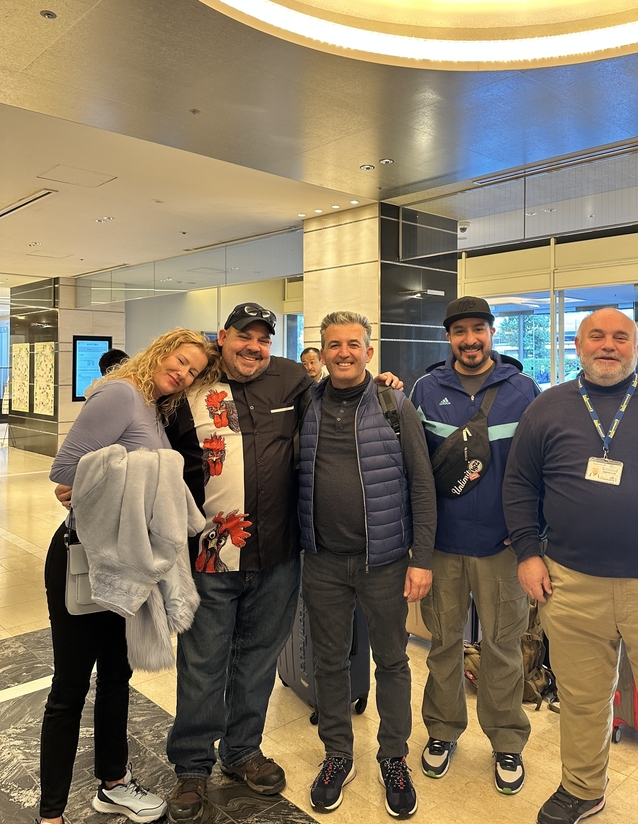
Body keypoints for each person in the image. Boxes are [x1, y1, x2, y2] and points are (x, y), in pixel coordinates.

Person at [164, 303, 402, 823]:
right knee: (203, 664)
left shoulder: (293, 381)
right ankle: (192, 767)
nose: (253, 346)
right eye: (243, 337)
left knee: (257, 660)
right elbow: (146, 443)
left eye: (262, 339)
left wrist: (383, 380)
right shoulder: (187, 394)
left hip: (277, 554)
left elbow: (346, 388)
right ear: (221, 337)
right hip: (210, 554)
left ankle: (243, 751)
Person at [503, 308, 638, 824]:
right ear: (577, 346)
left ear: (636, 348)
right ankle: (583, 788)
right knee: (582, 700)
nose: (608, 345)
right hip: (572, 584)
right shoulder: (548, 407)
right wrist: (528, 554)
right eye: (595, 336)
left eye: (620, 337)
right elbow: (519, 486)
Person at [41, 329, 219, 824]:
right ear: (161, 351)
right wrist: (131, 479)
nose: (182, 374)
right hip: (85, 560)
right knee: (70, 686)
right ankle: (51, 813)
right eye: (180, 362)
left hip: (127, 563)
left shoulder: (154, 407)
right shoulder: (121, 394)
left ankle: (113, 785)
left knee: (117, 674)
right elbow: (66, 471)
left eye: (192, 372)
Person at [297, 311, 436, 817]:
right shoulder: (305, 403)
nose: (344, 353)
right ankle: (338, 755)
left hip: (385, 562)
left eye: (353, 344)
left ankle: (393, 755)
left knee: (394, 662)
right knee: (328, 663)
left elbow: (422, 485)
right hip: (323, 560)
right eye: (334, 345)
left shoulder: (394, 403)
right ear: (322, 352)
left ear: (369, 352)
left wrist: (421, 559)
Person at [410, 296, 539, 794]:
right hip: (442, 544)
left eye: (478, 329)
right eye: (460, 331)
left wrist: (531, 534)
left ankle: (507, 740)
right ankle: (441, 732)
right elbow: (413, 468)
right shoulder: (426, 389)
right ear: (449, 337)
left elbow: (537, 468)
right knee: (442, 644)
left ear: (492, 332)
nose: (469, 339)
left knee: (503, 647)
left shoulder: (522, 389)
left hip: (502, 546)